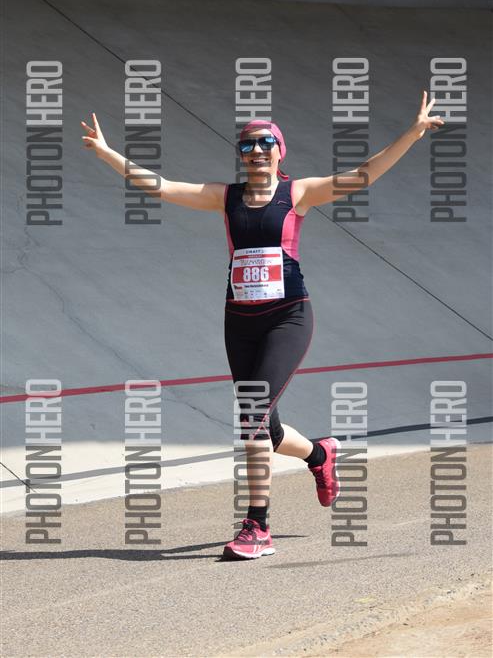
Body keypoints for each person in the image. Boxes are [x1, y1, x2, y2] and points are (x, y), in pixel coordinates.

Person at [81, 91, 443, 560]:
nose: (256, 151)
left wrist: (413, 132)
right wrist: (108, 153)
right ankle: (320, 455)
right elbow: (163, 187)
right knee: (264, 425)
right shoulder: (226, 197)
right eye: (247, 145)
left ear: (279, 151)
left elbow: (364, 174)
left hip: (287, 316)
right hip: (239, 321)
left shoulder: (298, 193)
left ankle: (258, 526)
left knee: (251, 416)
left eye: (265, 143)